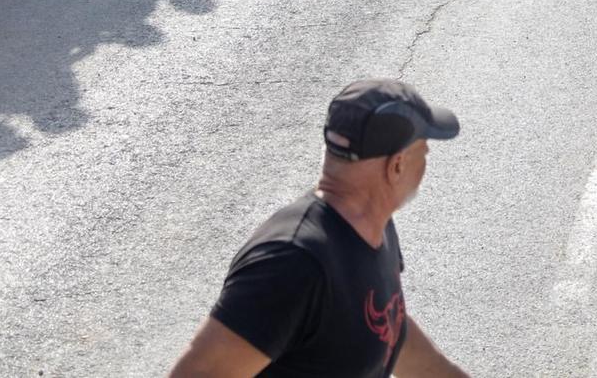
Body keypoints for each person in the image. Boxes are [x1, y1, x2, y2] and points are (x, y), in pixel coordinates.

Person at [168, 78, 470, 377]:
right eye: (425, 152)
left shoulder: (375, 226)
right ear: (397, 166)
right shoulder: (293, 263)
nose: (427, 162)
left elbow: (387, 327)